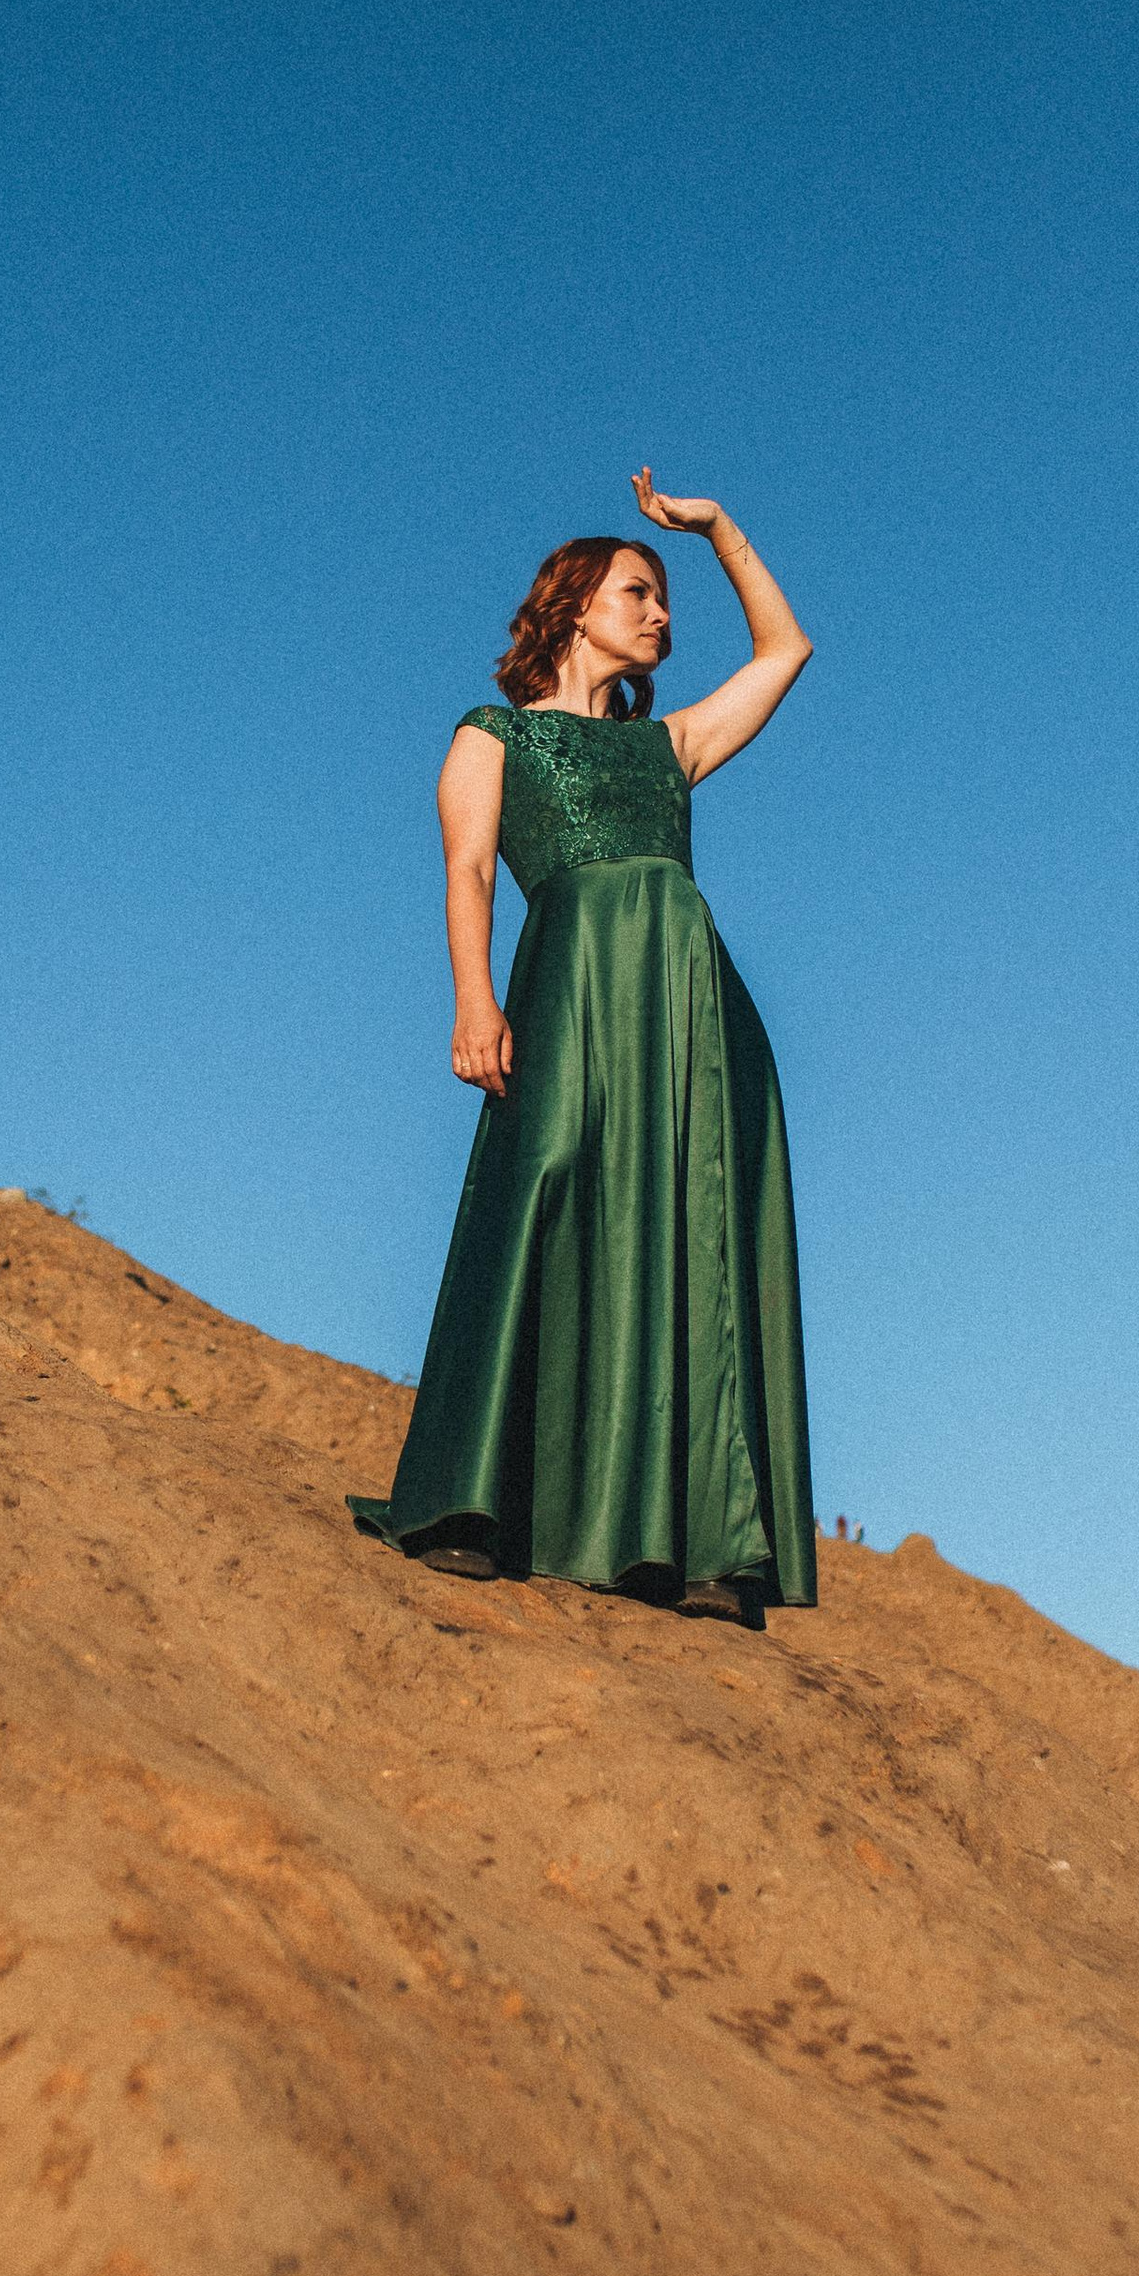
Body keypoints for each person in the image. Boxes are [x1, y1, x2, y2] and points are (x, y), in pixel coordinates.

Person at [351, 474, 819, 1624]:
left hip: (688, 1008)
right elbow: (468, 869)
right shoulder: (494, 733)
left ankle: (703, 1547)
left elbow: (786, 649)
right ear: (572, 606)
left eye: (663, 598)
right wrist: (473, 1002)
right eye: (637, 592)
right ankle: (473, 1503)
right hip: (567, 986)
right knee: (544, 1184)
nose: (660, 614)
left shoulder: (671, 745)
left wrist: (716, 531)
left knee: (691, 1230)